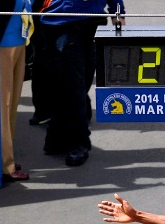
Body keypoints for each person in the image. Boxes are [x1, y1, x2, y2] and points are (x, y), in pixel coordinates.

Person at [39, 0, 126, 166]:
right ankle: (78, 142)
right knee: (72, 84)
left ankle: (57, 136)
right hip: (62, 21)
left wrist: (118, 12)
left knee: (81, 81)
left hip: (92, 20)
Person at [0, 0, 34, 182]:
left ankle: (8, 156)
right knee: (3, 104)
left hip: (19, 41)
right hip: (1, 45)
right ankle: (5, 164)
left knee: (12, 103)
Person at [28, 0, 52, 126]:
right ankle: (42, 111)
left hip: (66, 15)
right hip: (40, 15)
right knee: (41, 63)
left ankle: (79, 108)